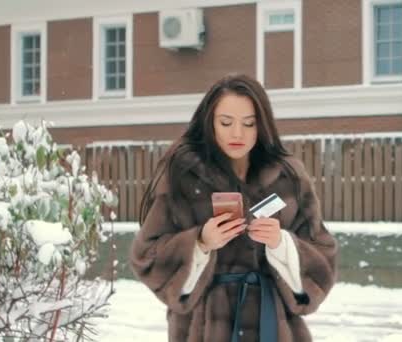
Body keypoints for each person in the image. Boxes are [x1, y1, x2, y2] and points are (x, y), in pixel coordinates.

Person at [129, 73, 338, 342]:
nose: (237, 134)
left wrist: (282, 244)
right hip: (202, 329)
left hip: (273, 326)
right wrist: (200, 243)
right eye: (226, 122)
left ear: (262, 126)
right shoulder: (182, 175)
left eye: (249, 124)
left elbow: (323, 261)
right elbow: (146, 256)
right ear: (210, 122)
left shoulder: (289, 177)